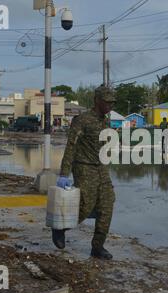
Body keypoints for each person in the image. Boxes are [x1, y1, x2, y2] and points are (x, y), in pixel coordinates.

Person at [55, 85, 116, 260]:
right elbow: (71, 147)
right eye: (107, 102)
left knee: (107, 205)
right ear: (97, 100)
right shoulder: (81, 120)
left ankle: (97, 247)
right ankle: (60, 228)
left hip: (101, 168)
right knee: (85, 206)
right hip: (84, 167)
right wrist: (64, 174)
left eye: (112, 103)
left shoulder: (106, 121)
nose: (110, 106)